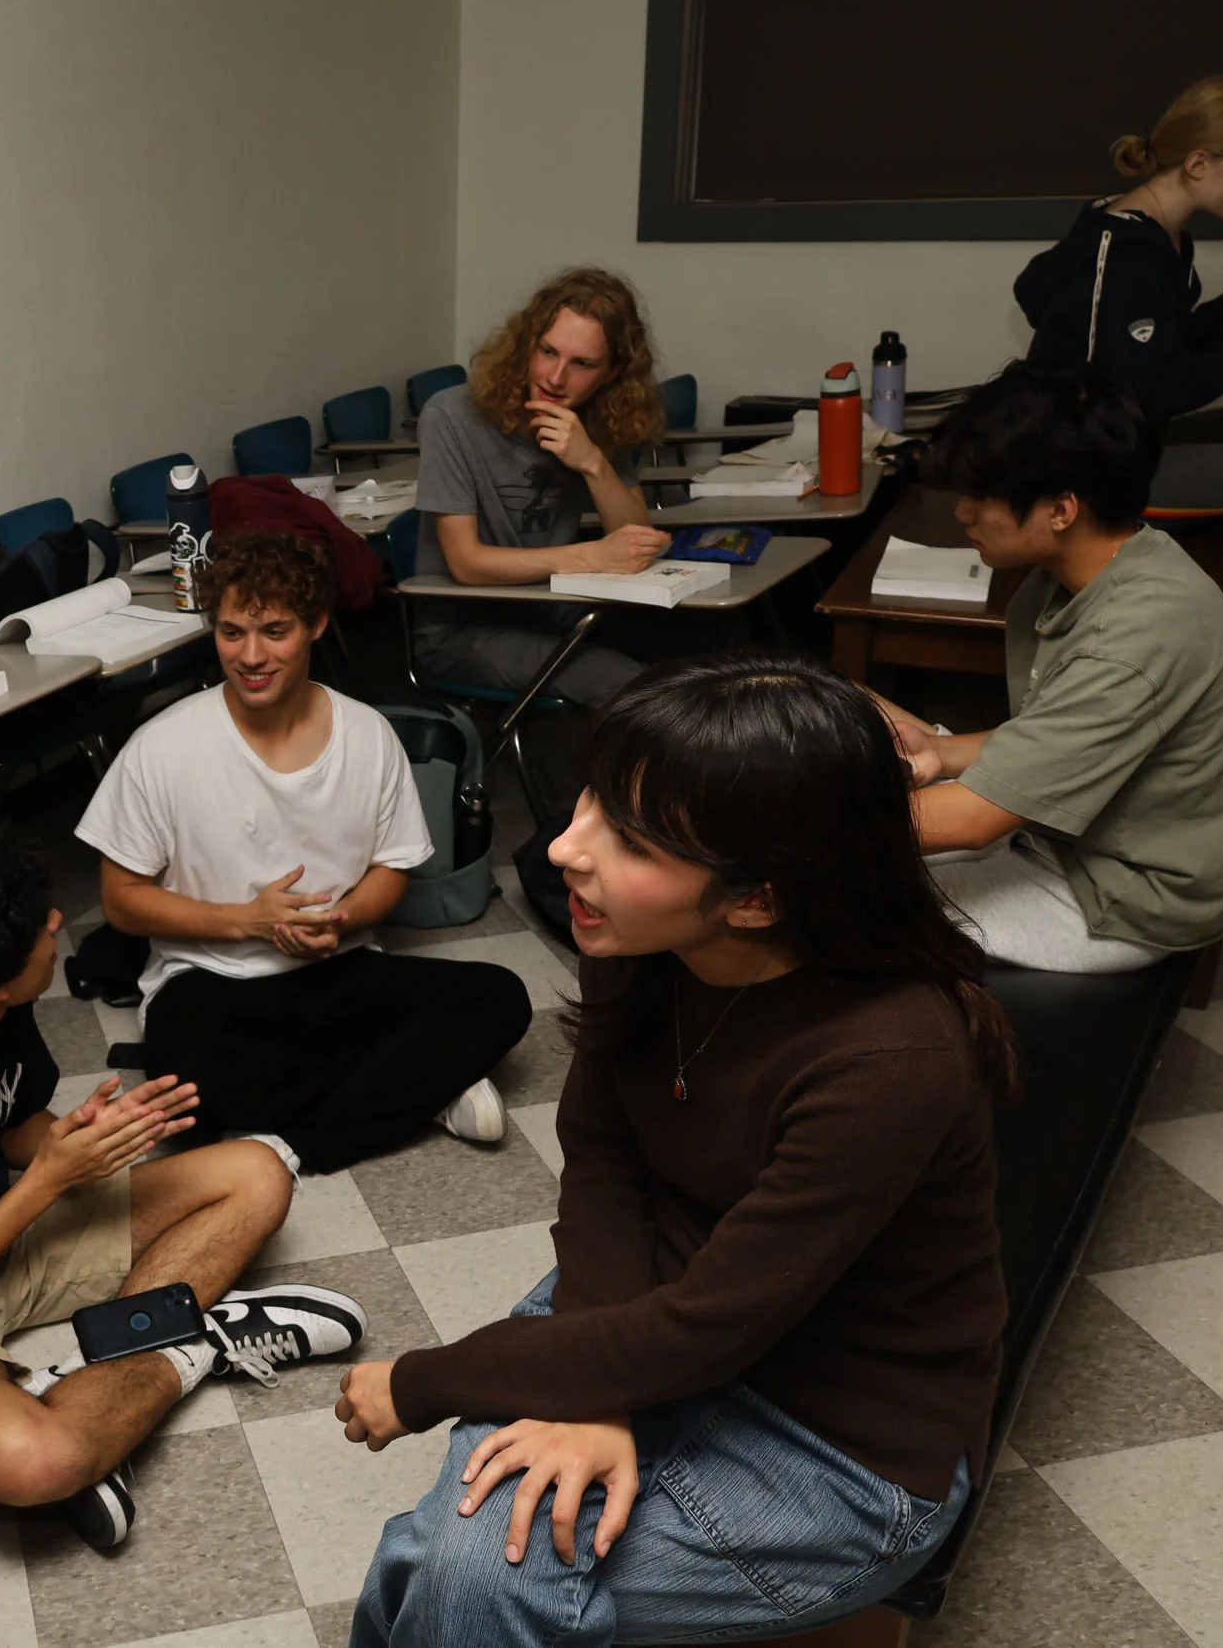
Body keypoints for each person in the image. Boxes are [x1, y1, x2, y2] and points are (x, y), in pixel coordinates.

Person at [332, 655, 1006, 1648]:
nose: (565, 847)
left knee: (460, 1571)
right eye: (589, 802)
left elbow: (704, 1329)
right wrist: (601, 1392)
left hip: (838, 1437)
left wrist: (425, 1379)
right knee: (455, 1563)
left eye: (629, 838)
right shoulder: (642, 944)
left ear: (757, 897)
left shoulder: (890, 1055)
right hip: (658, 1305)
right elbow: (606, 1166)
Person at [0, 819, 367, 1550]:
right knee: (33, 1461)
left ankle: (100, 1379)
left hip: (4, 1224)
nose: (59, 920)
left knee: (258, 1172)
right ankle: (189, 1343)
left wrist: (79, 1144)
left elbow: (5, 1121)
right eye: (42, 924)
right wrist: (44, 1181)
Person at [78, 529, 533, 1173]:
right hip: (210, 980)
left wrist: (341, 920)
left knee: (502, 996)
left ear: (317, 624)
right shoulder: (164, 745)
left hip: (337, 966)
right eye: (231, 632)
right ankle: (416, 1084)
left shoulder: (368, 734)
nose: (250, 656)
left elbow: (392, 868)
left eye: (274, 631)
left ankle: (300, 1143)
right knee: (192, 1104)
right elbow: (121, 902)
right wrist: (246, 921)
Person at [874, 361, 1223, 973]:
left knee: (820, 889)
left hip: (1116, 897)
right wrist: (938, 752)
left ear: (1061, 509)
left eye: (981, 497)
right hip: (1063, 836)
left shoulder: (1137, 634)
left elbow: (975, 822)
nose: (962, 513)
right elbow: (1058, 732)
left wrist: (788, 824)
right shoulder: (1090, 572)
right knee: (853, 748)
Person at [1015, 73, 1223, 523]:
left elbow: (1177, 342)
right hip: (1086, 467)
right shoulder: (1128, 257)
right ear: (1198, 164)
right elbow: (1165, 389)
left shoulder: (1160, 232)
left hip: (1132, 433)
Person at [410, 266, 673, 706]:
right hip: (462, 630)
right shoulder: (451, 415)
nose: (555, 377)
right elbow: (466, 564)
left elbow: (636, 541)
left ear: (610, 373)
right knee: (632, 687)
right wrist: (591, 556)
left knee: (705, 649)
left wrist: (592, 462)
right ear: (525, 344)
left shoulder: (595, 420)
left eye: (582, 364)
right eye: (547, 352)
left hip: (556, 609)